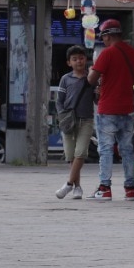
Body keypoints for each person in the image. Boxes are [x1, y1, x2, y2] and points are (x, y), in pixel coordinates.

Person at [87, 19, 134, 201]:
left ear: (108, 35)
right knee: (127, 149)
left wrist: (92, 70)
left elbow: (91, 80)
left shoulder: (106, 54)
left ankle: (105, 188)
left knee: (106, 149)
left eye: (103, 37)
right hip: (127, 109)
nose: (103, 40)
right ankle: (130, 190)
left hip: (108, 108)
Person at [55, 46, 96, 200]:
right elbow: (59, 101)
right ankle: (77, 186)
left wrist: (97, 92)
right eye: (74, 59)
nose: (78, 61)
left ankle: (68, 185)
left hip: (86, 120)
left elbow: (97, 100)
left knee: (80, 153)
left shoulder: (91, 78)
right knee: (71, 155)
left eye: (81, 58)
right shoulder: (66, 79)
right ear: (69, 62)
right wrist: (62, 116)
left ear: (85, 59)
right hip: (68, 121)